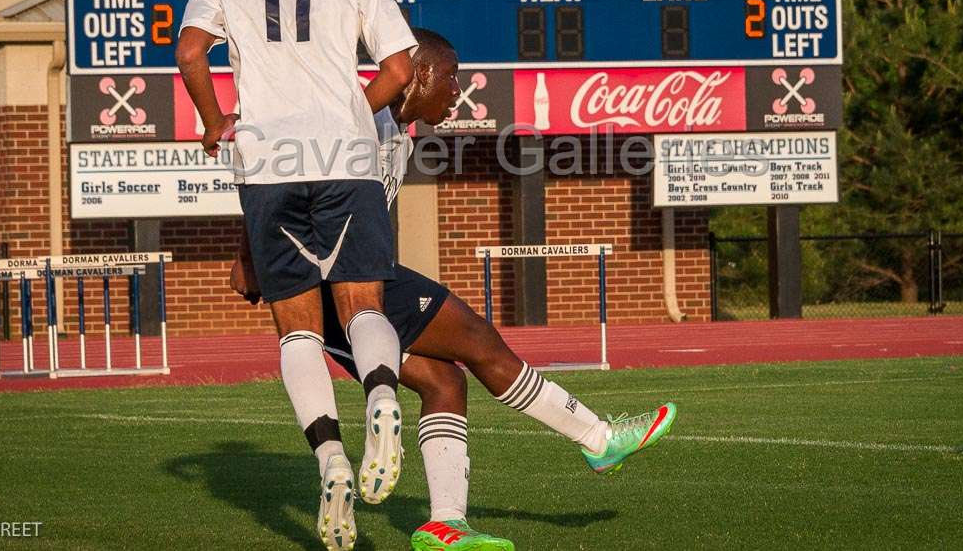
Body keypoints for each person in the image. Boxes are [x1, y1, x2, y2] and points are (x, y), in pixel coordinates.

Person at [232, 29, 677, 551]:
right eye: (450, 76)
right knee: (479, 340)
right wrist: (249, 254)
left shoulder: (399, 129)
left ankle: (445, 524)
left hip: (352, 286)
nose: (457, 90)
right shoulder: (359, 119)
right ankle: (598, 439)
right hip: (340, 288)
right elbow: (279, 176)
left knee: (445, 383)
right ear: (416, 74)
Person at [176, 0, 417, 549]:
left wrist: (213, 119)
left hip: (268, 165)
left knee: (297, 331)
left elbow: (190, 51)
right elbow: (400, 70)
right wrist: (347, 113)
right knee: (364, 306)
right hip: (345, 159)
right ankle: (379, 397)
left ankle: (330, 459)